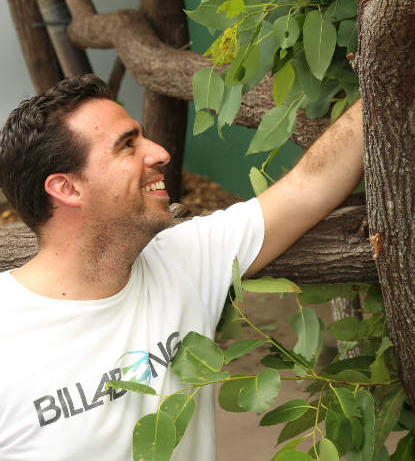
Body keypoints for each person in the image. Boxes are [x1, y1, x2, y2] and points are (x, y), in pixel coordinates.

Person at [0, 74, 363, 460]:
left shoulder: (183, 260)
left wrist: (394, 68)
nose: (160, 152)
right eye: (127, 146)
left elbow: (309, 186)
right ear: (67, 188)